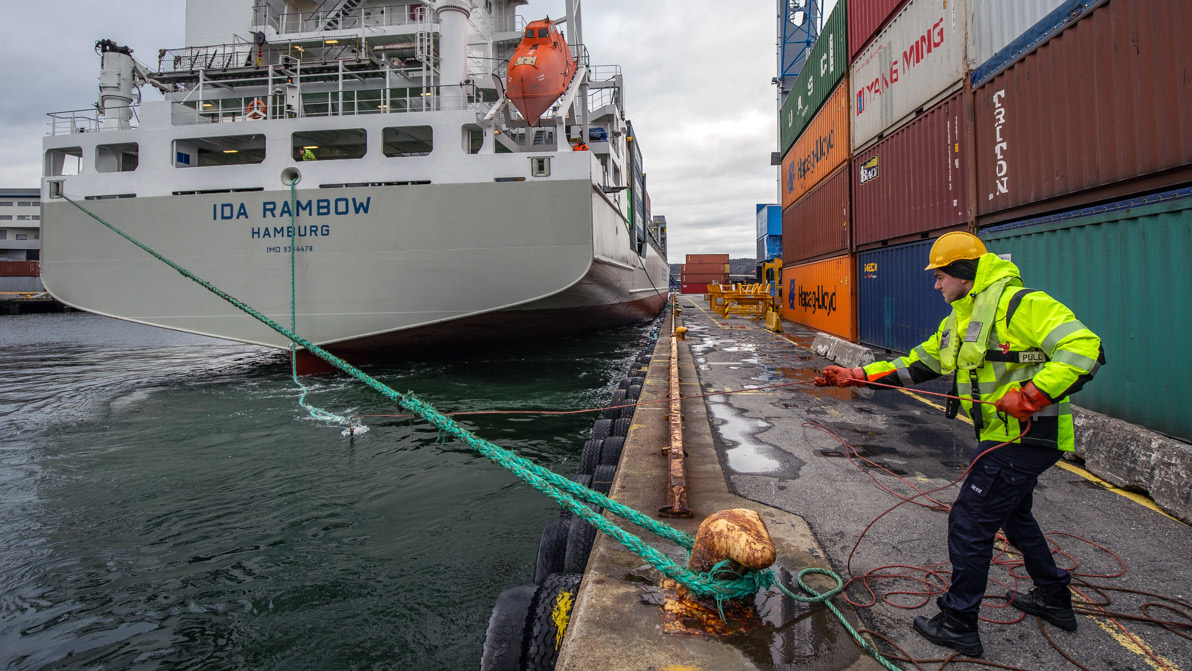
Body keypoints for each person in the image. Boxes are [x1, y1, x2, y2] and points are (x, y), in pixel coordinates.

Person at [815, 231, 1104, 658]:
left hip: (1026, 437)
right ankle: (1053, 596)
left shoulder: (1023, 304)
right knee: (1015, 517)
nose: (936, 285)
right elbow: (921, 362)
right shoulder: (960, 319)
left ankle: (958, 621)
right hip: (1000, 437)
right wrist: (858, 375)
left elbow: (1085, 347)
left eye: (940, 276)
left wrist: (1032, 395)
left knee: (969, 523)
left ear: (963, 273)